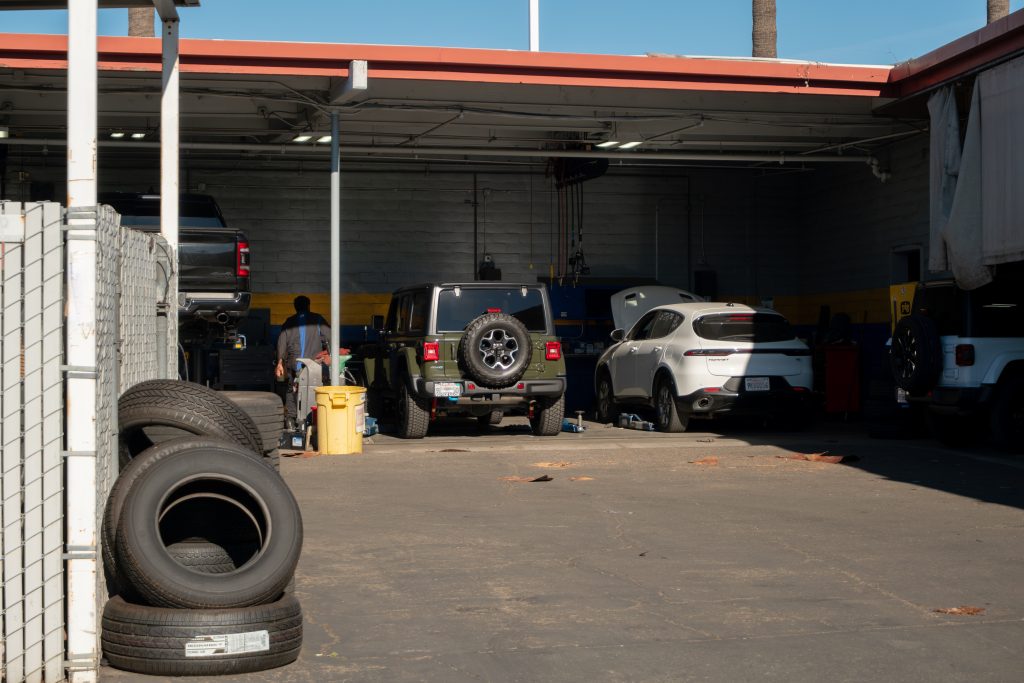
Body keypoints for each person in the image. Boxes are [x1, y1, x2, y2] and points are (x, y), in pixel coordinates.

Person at [276, 295, 330, 429]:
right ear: (308, 305)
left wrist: (279, 362)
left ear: (295, 307)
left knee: (291, 390)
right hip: (313, 365)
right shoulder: (318, 320)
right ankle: (309, 419)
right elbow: (330, 338)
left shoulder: (289, 322)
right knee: (313, 390)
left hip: (293, 365)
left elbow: (281, 343)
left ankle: (290, 420)